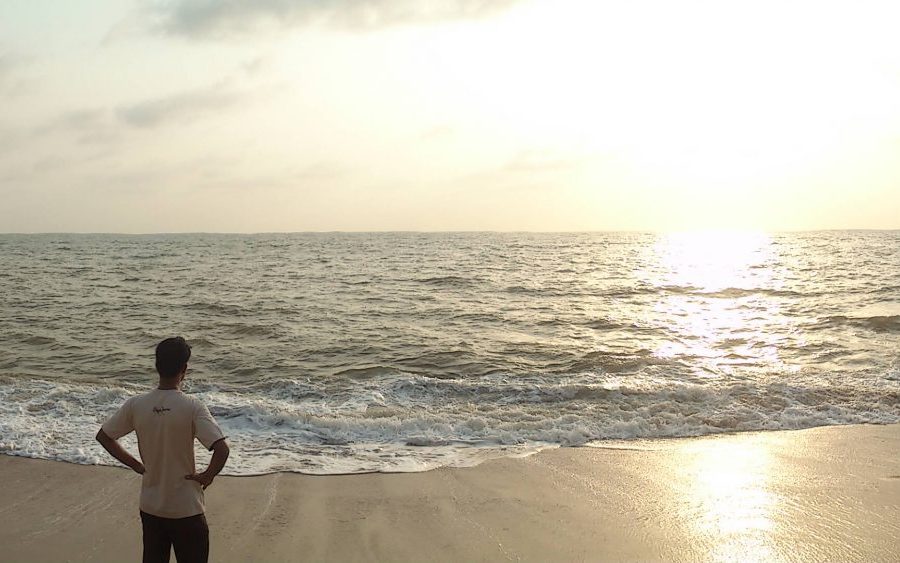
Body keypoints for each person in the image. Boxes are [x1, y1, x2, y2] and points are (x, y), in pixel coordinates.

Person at [96, 337, 230, 563]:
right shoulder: (192, 406)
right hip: (186, 508)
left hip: (151, 506)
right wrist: (208, 476)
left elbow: (104, 437)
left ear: (157, 366)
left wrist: (136, 465)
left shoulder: (136, 404)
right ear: (184, 369)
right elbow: (221, 449)